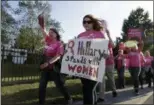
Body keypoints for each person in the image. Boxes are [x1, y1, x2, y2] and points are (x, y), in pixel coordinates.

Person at [38, 14, 72, 105]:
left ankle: (68, 98)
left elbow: (58, 56)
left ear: (56, 34)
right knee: (42, 85)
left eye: (52, 32)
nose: (50, 33)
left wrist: (48, 63)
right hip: (45, 67)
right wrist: (41, 22)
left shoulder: (59, 43)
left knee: (60, 85)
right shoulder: (47, 40)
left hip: (54, 68)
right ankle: (41, 102)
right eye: (49, 32)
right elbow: (43, 30)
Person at [77, 14, 106, 105]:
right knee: (87, 89)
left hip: (95, 66)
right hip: (83, 67)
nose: (86, 23)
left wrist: (105, 54)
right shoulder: (80, 35)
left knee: (88, 90)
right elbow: (76, 51)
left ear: (93, 23)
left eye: (88, 22)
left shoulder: (99, 34)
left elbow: (104, 51)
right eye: (84, 22)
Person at [97, 20, 117, 103]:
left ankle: (114, 90)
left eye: (102, 24)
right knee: (101, 81)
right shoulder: (96, 38)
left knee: (111, 78)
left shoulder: (107, 38)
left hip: (109, 62)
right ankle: (101, 97)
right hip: (100, 62)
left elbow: (113, 45)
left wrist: (109, 35)